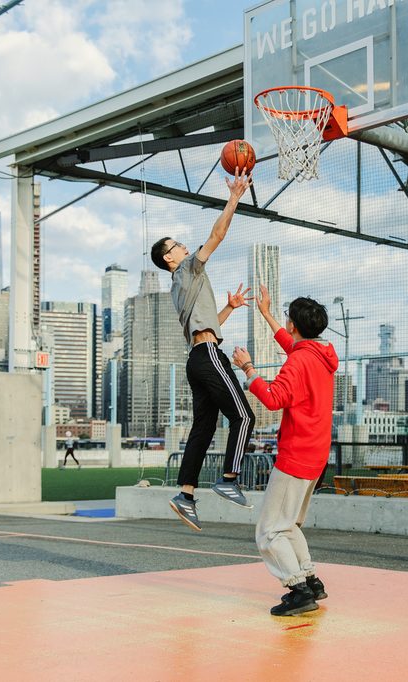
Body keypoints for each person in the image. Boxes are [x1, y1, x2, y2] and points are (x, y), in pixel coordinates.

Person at [150, 168, 255, 531]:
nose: (182, 246)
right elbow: (217, 234)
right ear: (169, 258)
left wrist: (229, 308)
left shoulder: (179, 286)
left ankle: (186, 494)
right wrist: (234, 197)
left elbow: (204, 324)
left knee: (203, 429)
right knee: (244, 417)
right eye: (176, 245)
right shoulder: (189, 269)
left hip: (197, 358)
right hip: (208, 356)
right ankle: (229, 478)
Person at [232, 285, 338, 616]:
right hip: (317, 454)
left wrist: (248, 370)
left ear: (293, 323)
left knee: (268, 530)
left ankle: (298, 589)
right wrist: (265, 313)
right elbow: (292, 346)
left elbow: (274, 398)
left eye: (286, 318)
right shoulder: (320, 356)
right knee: (288, 523)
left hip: (296, 454)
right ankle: (310, 579)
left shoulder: (298, 363)